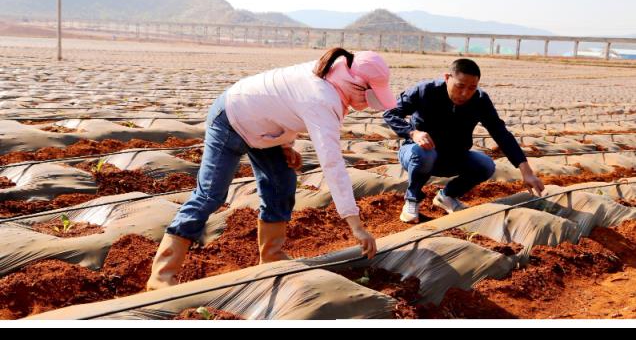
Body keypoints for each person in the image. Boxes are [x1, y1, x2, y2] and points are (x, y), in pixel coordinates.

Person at [147, 47, 397, 291]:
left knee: (281, 184)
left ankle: (271, 257)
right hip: (231, 118)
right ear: (356, 84)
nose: (369, 101)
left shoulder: (332, 75)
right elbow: (332, 164)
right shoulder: (323, 96)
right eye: (370, 94)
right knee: (210, 195)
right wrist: (355, 225)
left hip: (262, 128)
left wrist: (285, 144)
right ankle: (161, 276)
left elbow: (282, 106)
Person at [383, 58, 545, 224]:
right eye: (460, 86)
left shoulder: (480, 100)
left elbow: (500, 132)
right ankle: (412, 200)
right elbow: (391, 113)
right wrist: (413, 133)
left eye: (472, 88)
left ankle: (446, 196)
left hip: (453, 156)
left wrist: (526, 171)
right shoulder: (425, 91)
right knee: (424, 153)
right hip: (417, 153)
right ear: (447, 77)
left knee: (486, 165)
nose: (465, 93)